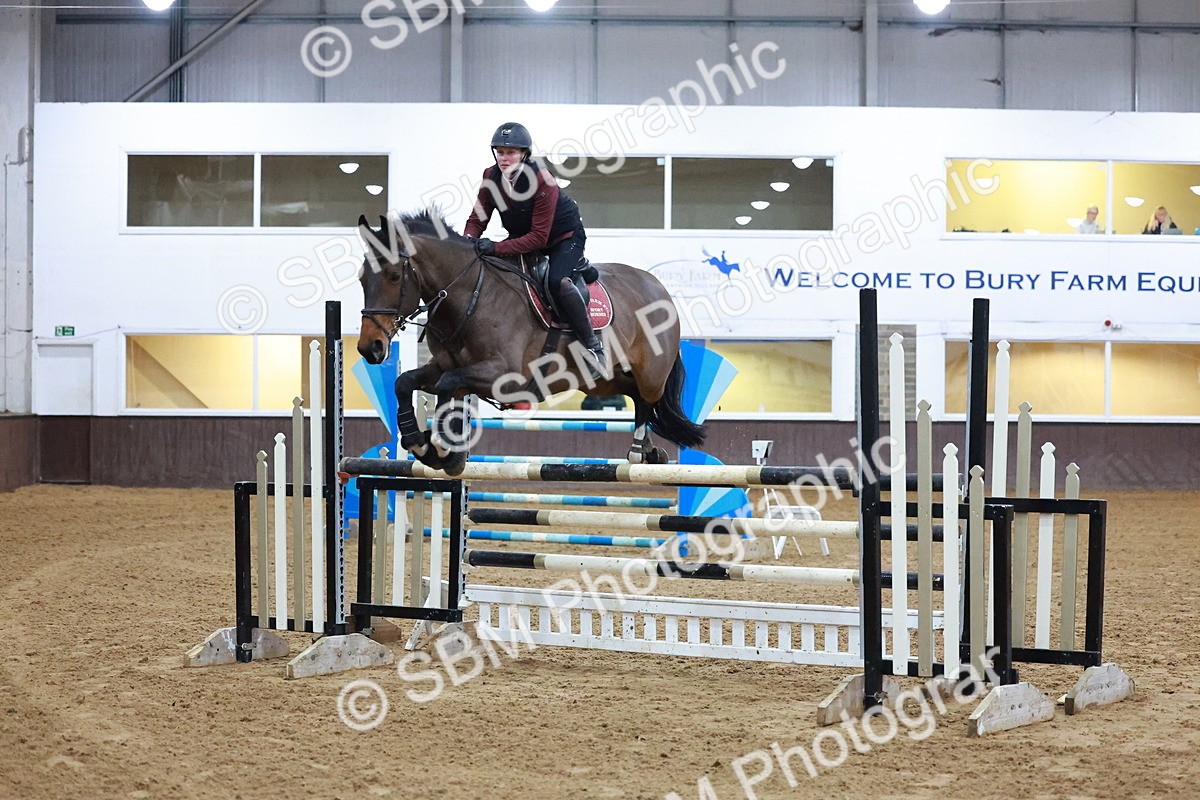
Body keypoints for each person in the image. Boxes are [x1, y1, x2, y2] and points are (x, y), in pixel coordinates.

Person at [464, 122, 606, 380]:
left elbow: (539, 239)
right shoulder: (491, 176)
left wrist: (495, 247)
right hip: (523, 235)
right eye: (500, 152)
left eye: (511, 152)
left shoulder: (542, 180)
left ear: (525, 154)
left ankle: (593, 348)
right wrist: (467, 242)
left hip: (564, 237)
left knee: (557, 281)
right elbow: (478, 219)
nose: (504, 158)